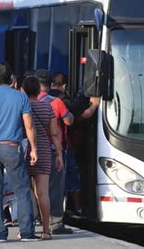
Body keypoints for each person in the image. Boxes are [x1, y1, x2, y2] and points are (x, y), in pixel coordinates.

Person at [0, 63, 40, 242]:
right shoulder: (20, 97)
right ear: (11, 78)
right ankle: (26, 233)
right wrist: (33, 149)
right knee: (21, 190)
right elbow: (28, 125)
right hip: (11, 147)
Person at [22, 76, 63, 240]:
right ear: (39, 91)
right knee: (43, 193)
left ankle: (26, 230)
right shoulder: (47, 108)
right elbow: (54, 133)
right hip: (45, 152)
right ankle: (46, 231)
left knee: (24, 193)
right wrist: (59, 154)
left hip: (25, 151)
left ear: (24, 90)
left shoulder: (21, 108)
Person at [34, 69, 74, 235]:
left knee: (35, 187)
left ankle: (36, 219)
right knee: (55, 187)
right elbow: (68, 120)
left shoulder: (27, 101)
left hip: (33, 150)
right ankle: (55, 223)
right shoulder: (56, 102)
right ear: (50, 85)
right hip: (51, 149)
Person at [49, 73, 83, 216]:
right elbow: (70, 120)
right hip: (62, 146)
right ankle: (74, 209)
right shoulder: (60, 101)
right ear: (64, 86)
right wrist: (94, 106)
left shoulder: (37, 99)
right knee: (69, 177)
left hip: (40, 147)